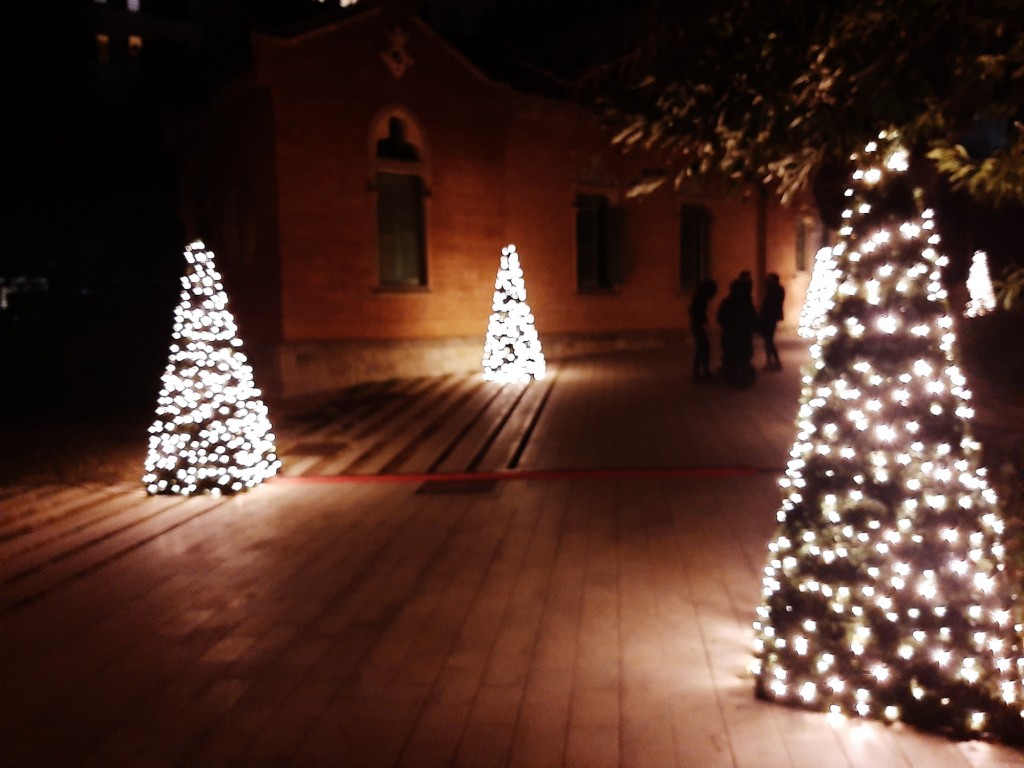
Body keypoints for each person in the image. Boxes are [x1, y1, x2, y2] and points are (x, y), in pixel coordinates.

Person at [716, 271, 758, 388]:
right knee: (736, 355)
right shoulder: (740, 302)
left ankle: (738, 377)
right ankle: (736, 376)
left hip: (737, 334)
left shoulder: (734, 302)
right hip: (736, 334)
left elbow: (721, 318)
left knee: (739, 356)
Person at [688, 278, 718, 381]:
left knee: (703, 348)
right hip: (697, 325)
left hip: (696, 325)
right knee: (703, 347)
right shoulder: (700, 299)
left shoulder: (699, 297)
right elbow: (695, 312)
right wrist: (703, 320)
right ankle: (699, 373)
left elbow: (693, 311)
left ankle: (701, 372)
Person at [759, 272, 786, 371]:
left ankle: (774, 362)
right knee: (768, 340)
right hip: (770, 317)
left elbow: (771, 304)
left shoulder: (775, 290)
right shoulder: (776, 289)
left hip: (770, 317)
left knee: (769, 340)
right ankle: (771, 361)